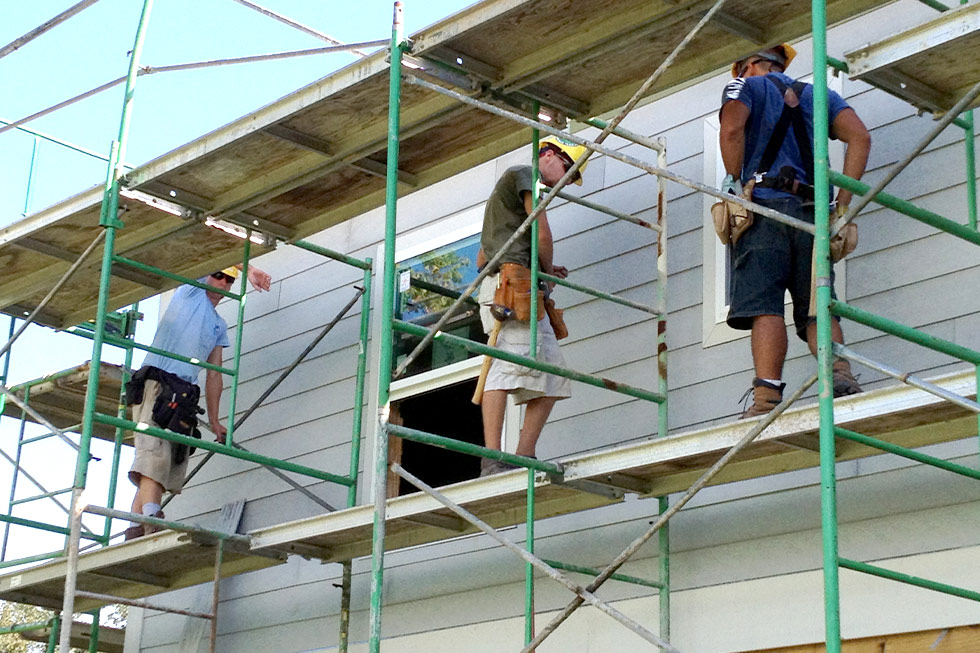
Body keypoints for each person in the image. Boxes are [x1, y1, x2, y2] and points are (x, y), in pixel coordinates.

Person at [719, 44, 871, 418]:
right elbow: (860, 138)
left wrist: (736, 185)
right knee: (817, 305)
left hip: (765, 209)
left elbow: (732, 128)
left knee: (764, 306)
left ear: (748, 64)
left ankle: (767, 397)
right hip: (812, 213)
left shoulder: (744, 87)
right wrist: (842, 203)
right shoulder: (819, 95)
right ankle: (840, 375)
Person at [124, 264, 271, 539]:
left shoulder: (218, 324)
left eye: (230, 280)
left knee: (165, 461)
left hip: (182, 393)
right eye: (219, 276)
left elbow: (214, 375)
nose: (224, 284)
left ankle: (135, 528)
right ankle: (153, 519)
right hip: (157, 382)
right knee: (153, 455)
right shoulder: (189, 293)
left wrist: (215, 420)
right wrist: (249, 268)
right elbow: (220, 246)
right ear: (206, 275)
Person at [474, 136, 587, 476]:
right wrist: (547, 272)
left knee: (553, 373)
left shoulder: (507, 199)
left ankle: (523, 455)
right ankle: (492, 458)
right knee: (504, 368)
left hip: (521, 286)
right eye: (567, 169)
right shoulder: (525, 175)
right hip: (510, 288)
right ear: (549, 154)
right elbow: (542, 231)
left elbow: (482, 255)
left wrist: (542, 270)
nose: (566, 179)